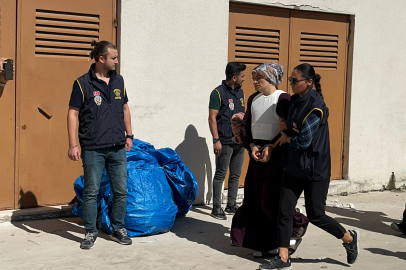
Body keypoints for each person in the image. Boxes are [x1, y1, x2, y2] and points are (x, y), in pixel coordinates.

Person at [259, 63, 360, 269]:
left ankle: (349, 238)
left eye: (295, 81)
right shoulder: (295, 101)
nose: (292, 84)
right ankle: (283, 258)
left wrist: (287, 137)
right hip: (293, 166)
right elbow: (292, 129)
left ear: (309, 82)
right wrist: (284, 129)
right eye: (290, 80)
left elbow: (304, 141)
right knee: (284, 211)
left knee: (317, 215)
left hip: (315, 169)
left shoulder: (316, 106)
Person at [230, 63, 309, 258]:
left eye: (260, 79)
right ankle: (266, 244)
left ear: (272, 79)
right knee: (255, 199)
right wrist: (251, 146)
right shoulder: (253, 99)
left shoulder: (282, 98)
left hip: (277, 156)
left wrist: (271, 147)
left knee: (270, 200)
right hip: (256, 154)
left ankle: (296, 225)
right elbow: (247, 126)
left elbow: (287, 128)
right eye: (254, 78)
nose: (255, 82)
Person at [67, 40, 133, 249]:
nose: (117, 61)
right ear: (101, 58)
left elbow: (125, 109)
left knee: (121, 190)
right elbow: (73, 113)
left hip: (117, 146)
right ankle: (90, 231)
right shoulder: (82, 83)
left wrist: (129, 135)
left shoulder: (119, 81)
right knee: (91, 191)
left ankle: (117, 228)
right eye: (113, 57)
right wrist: (72, 144)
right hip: (93, 147)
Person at [208, 62, 246, 219]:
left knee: (235, 175)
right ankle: (217, 207)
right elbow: (211, 118)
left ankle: (231, 204)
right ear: (234, 77)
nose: (244, 79)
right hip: (224, 141)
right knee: (221, 174)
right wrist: (216, 140)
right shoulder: (217, 93)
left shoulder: (241, 92)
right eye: (242, 76)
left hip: (239, 141)